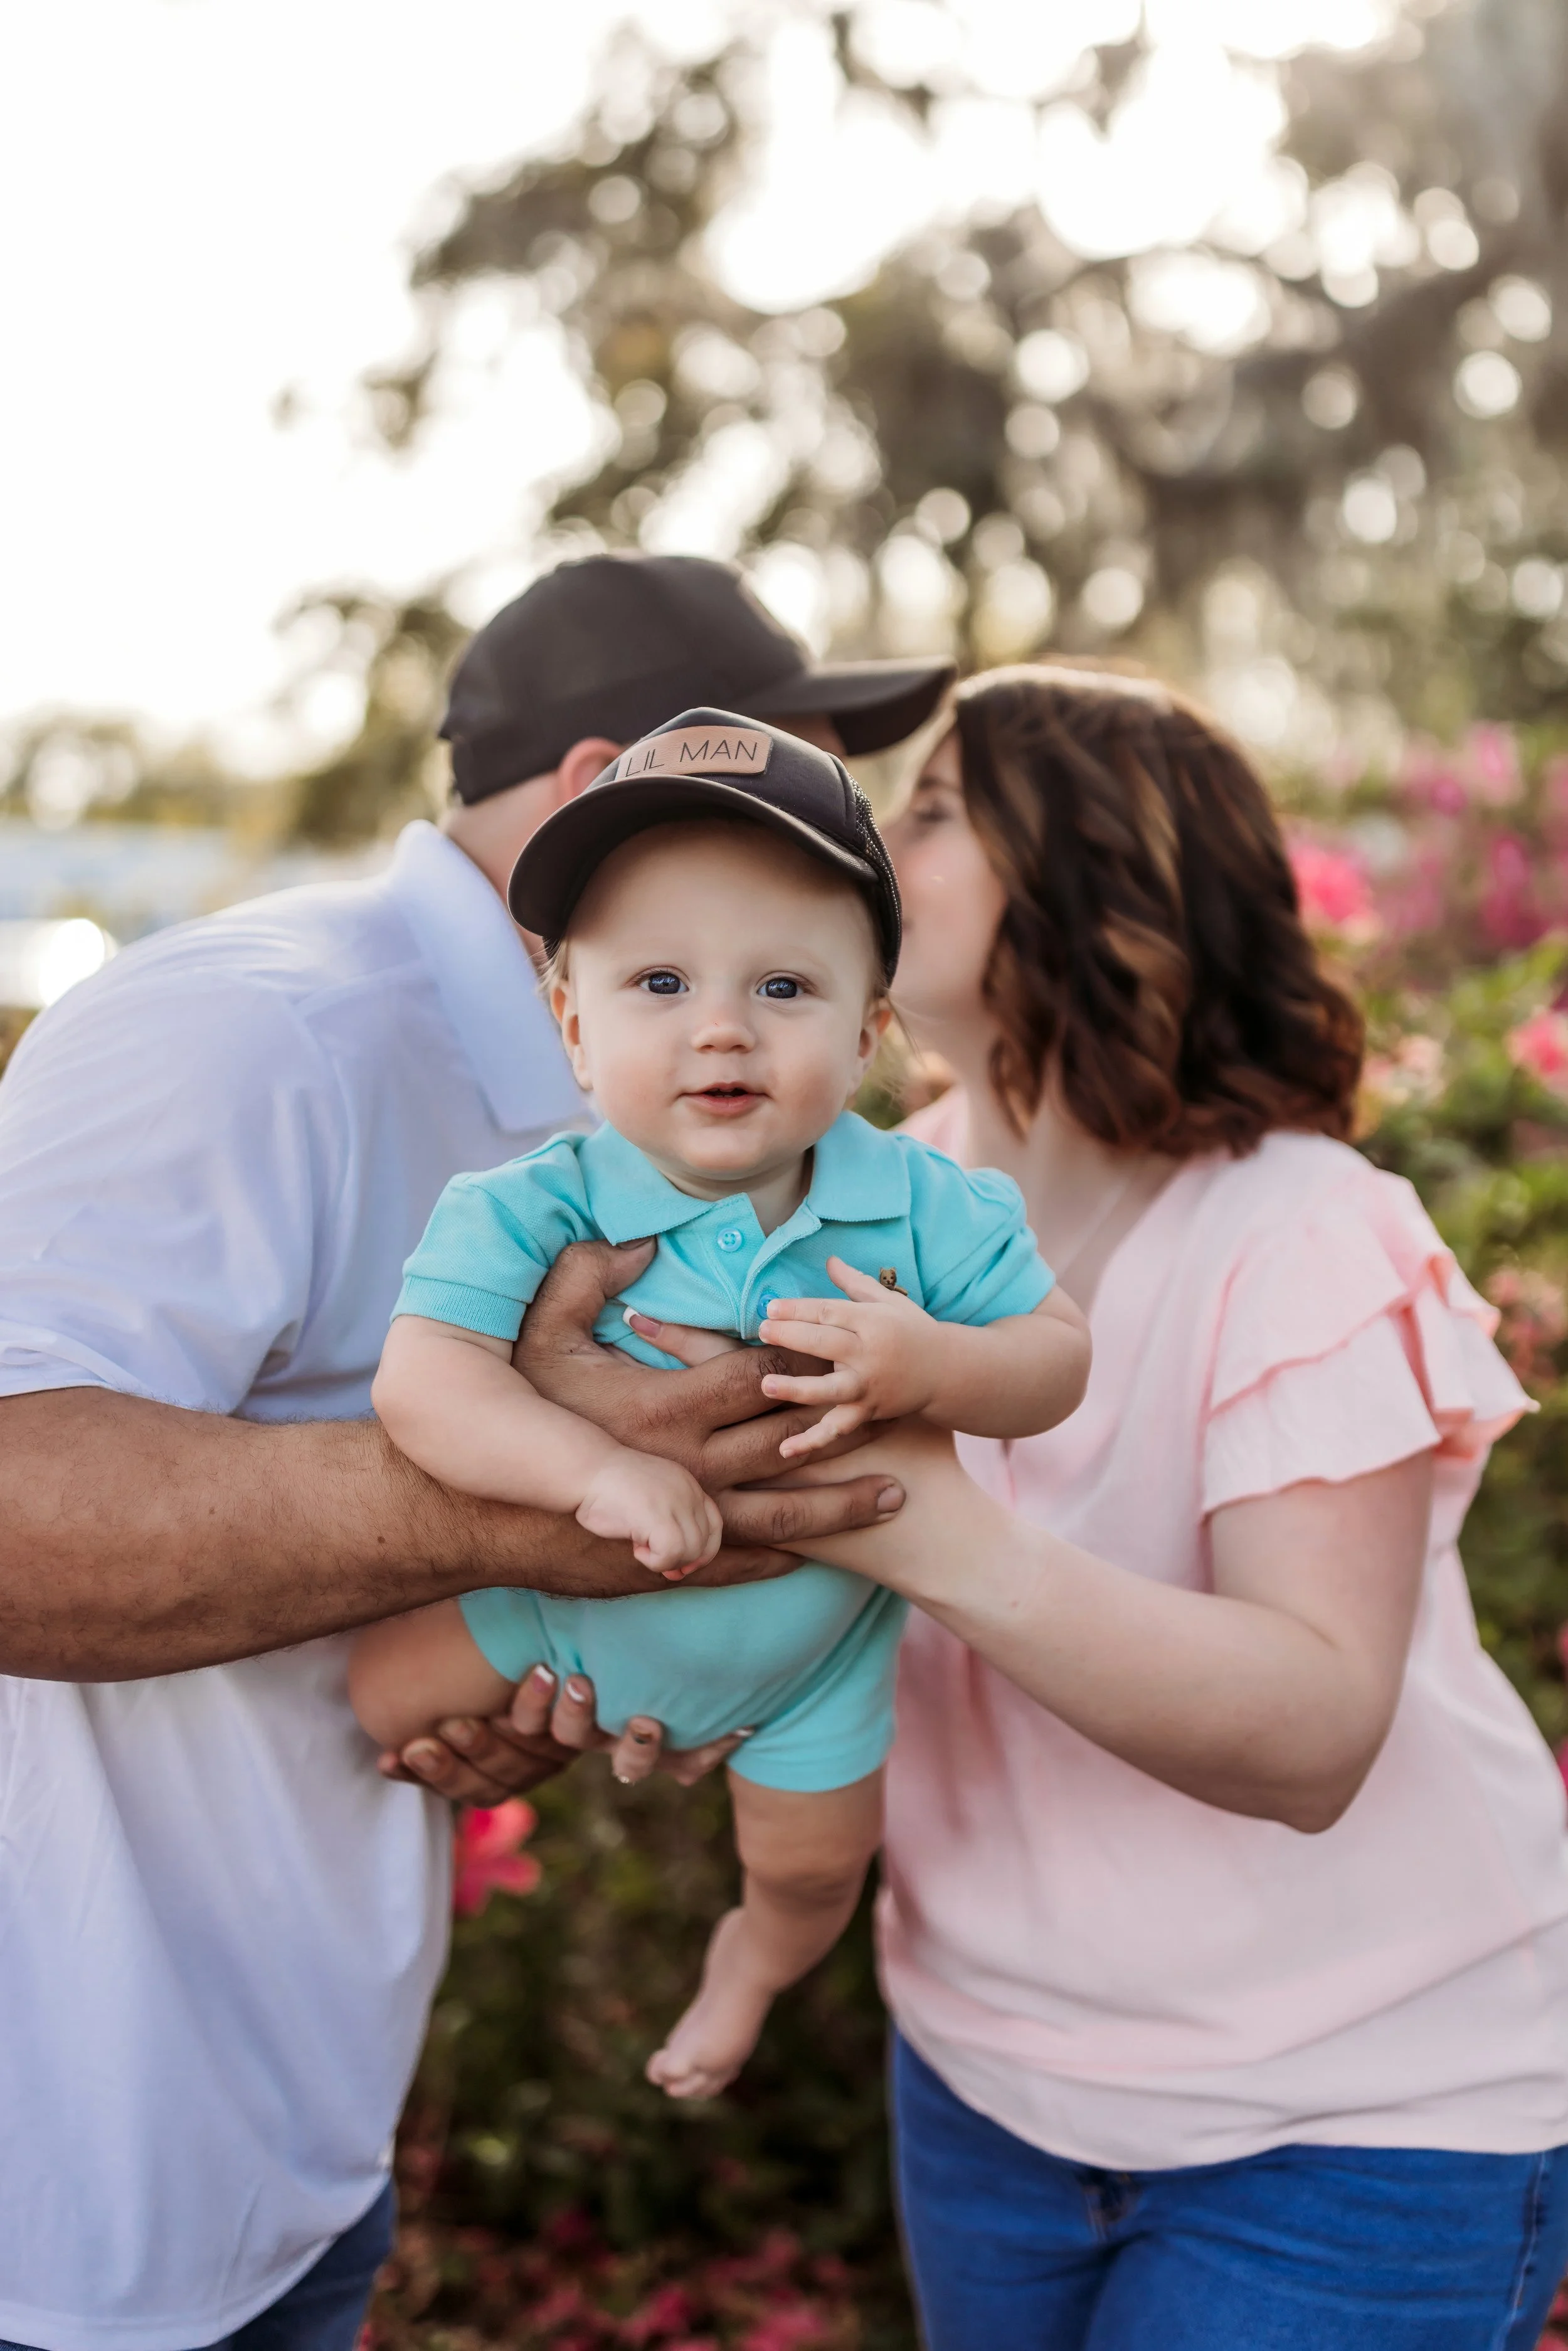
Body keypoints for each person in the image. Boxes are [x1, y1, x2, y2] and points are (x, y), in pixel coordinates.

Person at [0, 558, 952, 2351]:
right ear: (603, 793)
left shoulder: (618, 1094)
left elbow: (352, 1549)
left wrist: (507, 1646)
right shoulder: (256, 1027)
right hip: (63, 2195)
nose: (851, 871)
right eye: (803, 810)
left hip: (287, 2155)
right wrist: (521, 1497)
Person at [637, 664, 1568, 2347]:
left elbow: (1310, 1729)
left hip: (1351, 2124)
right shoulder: (872, 1200)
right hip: (985, 2082)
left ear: (1086, 875)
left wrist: (930, 1533)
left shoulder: (1297, 1230)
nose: (859, 836)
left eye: (924, 811)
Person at [351, 711, 1089, 2101]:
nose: (720, 1028)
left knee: (812, 1862)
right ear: (571, 1023)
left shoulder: (925, 1206)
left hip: (813, 1657)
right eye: (658, 981)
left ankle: (748, 1966)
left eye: (785, 987)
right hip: (555, 1604)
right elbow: (424, 1378)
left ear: (870, 1029)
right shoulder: (533, 1203)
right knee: (375, 1701)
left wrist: (930, 1364)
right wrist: (588, 1471)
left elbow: (1054, 1357)